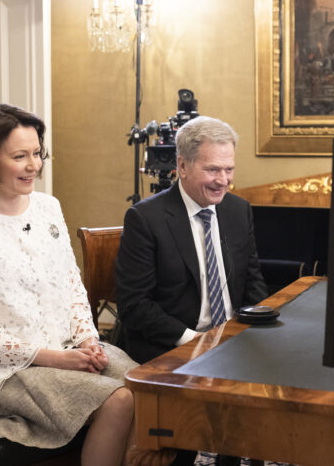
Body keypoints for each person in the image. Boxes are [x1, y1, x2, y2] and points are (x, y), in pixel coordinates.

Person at [0, 104, 173, 466]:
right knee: (120, 399)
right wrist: (57, 359)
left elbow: (72, 286)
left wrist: (88, 341)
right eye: (20, 156)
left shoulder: (48, 208)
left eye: (37, 153)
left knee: (147, 388)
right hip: (3, 372)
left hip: (67, 349)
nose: (34, 165)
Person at [114, 116, 269, 465]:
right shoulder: (145, 219)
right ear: (182, 166)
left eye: (229, 169)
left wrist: (259, 333)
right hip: (174, 344)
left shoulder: (238, 210)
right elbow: (133, 305)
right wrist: (194, 341)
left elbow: (253, 282)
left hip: (233, 340)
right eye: (213, 169)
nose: (224, 181)